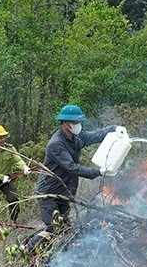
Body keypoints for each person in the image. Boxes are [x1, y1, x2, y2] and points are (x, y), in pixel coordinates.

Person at [27, 104, 125, 252]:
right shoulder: (56, 144)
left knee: (65, 228)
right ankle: (27, 249)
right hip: (49, 193)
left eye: (79, 122)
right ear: (65, 123)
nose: (78, 125)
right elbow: (72, 167)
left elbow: (95, 136)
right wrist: (99, 172)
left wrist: (114, 129)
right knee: (54, 228)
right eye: (74, 122)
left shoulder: (76, 137)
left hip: (65, 192)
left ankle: (60, 256)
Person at [0, 124, 30, 223]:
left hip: (7, 180)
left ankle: (13, 222)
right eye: (0, 138)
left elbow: (18, 160)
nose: (3, 139)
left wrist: (24, 167)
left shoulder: (10, 148)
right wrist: (1, 177)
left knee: (14, 199)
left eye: (4, 137)